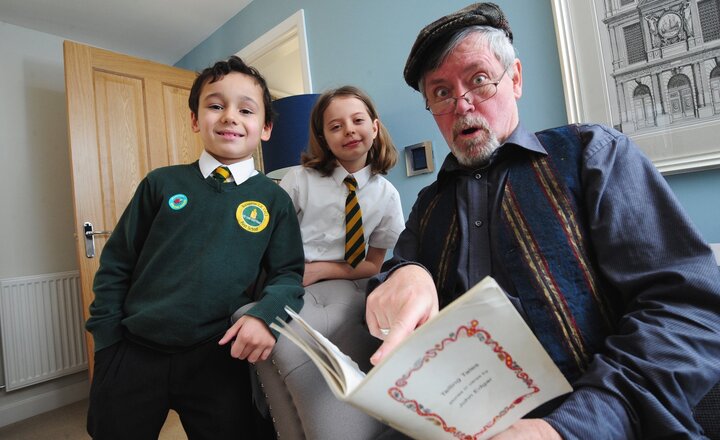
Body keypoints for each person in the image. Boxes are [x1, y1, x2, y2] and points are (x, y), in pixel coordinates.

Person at [365, 3, 720, 439]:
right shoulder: (428, 204)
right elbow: (392, 280)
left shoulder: (594, 155)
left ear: (514, 79)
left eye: (478, 80)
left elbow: (687, 311)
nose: (461, 105)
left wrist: (567, 428)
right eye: (440, 93)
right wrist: (406, 273)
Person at [85, 56, 305, 439]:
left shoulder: (274, 200)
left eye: (246, 109)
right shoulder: (161, 184)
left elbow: (288, 274)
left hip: (216, 354)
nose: (229, 117)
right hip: (133, 349)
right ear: (194, 119)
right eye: (216, 105)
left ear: (265, 127)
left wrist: (265, 316)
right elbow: (117, 261)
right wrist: (106, 341)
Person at [280, 85, 404, 286]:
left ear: (374, 128)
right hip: (292, 277)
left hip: (347, 280)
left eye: (358, 120)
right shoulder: (298, 180)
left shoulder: (387, 195)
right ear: (324, 138)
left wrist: (322, 270)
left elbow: (373, 264)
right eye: (336, 127)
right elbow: (270, 242)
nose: (349, 130)